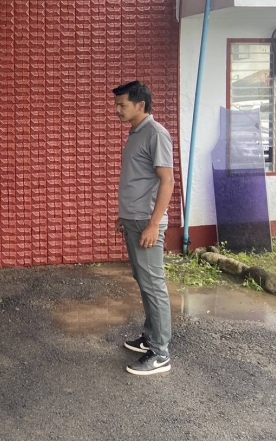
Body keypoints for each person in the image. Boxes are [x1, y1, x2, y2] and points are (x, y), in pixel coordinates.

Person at [113, 81, 175, 376]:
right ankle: (150, 337)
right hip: (134, 219)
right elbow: (137, 179)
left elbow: (167, 181)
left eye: (122, 105)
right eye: (116, 105)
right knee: (144, 280)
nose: (117, 110)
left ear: (140, 105)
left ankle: (160, 353)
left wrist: (153, 224)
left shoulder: (156, 134)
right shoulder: (136, 133)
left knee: (153, 285)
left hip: (147, 223)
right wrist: (124, 216)